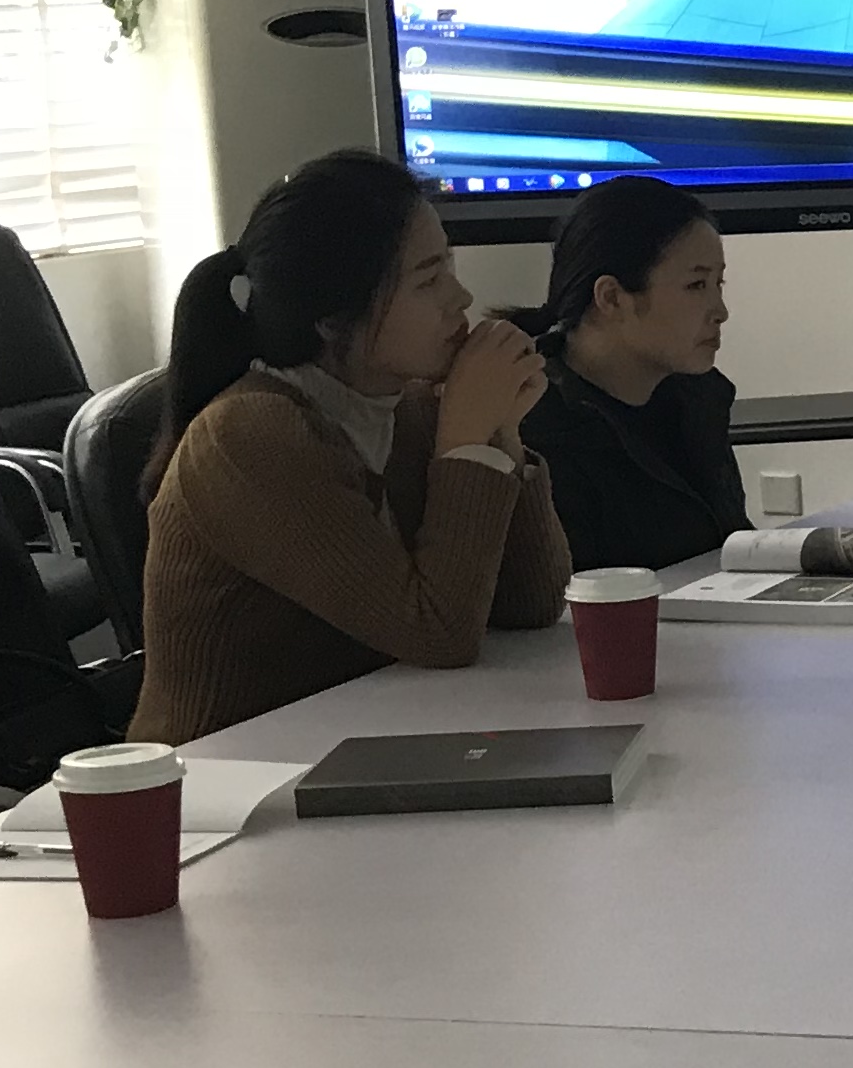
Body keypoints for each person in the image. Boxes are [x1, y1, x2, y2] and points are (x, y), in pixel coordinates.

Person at [131, 148, 570, 744]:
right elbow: (438, 634)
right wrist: (466, 443)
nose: (462, 298)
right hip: (228, 776)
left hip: (365, 742)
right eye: (428, 280)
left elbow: (532, 605)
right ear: (333, 320)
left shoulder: (410, 406)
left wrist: (499, 432)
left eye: (450, 267)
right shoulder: (247, 436)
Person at [521, 176, 748, 572]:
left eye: (718, 282)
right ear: (611, 298)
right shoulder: (539, 431)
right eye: (696, 285)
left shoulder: (698, 398)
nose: (721, 311)